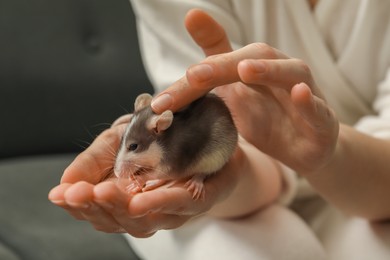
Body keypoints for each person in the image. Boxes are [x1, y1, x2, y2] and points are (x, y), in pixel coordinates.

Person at [49, 0, 390, 259]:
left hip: (364, 181)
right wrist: (230, 171)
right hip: (232, 200)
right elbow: (205, 133)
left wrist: (326, 157)